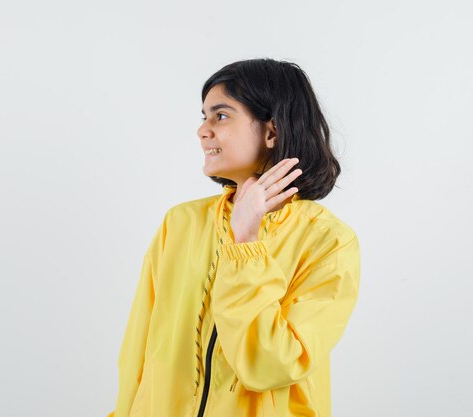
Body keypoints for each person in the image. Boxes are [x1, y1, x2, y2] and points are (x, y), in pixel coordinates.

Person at [106, 58, 361, 417]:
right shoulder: (180, 224)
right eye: (203, 116)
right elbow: (137, 352)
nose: (202, 130)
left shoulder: (329, 242)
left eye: (220, 116)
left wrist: (245, 242)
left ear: (272, 132)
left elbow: (272, 365)